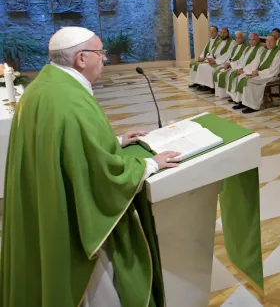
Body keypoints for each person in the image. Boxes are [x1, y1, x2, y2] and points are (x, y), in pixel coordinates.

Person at [1, 27, 179, 306]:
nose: (105, 58)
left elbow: (67, 144)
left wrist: (116, 140)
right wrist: (148, 165)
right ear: (81, 59)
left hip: (47, 198)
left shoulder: (48, 85)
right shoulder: (71, 101)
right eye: (100, 52)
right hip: (74, 224)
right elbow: (104, 174)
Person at [231, 34, 280, 113]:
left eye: (271, 41)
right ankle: (242, 102)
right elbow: (255, 63)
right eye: (267, 41)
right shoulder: (264, 52)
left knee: (249, 81)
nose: (269, 43)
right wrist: (247, 71)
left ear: (275, 42)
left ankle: (253, 106)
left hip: (270, 75)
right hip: (260, 74)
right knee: (242, 76)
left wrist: (258, 73)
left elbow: (274, 69)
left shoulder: (278, 53)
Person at [217, 32, 263, 100]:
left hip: (250, 70)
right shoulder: (248, 49)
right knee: (232, 74)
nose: (251, 42)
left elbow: (255, 63)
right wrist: (235, 66)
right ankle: (235, 97)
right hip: (243, 68)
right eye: (250, 40)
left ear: (258, 40)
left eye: (254, 39)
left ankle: (240, 99)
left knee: (239, 77)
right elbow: (242, 61)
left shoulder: (260, 49)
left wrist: (243, 70)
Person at [190, 27, 233, 91]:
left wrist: (215, 61)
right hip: (215, 60)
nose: (222, 34)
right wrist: (208, 58)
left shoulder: (232, 42)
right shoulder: (219, 41)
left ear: (228, 33)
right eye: (221, 33)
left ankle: (210, 86)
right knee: (202, 66)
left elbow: (228, 54)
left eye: (224, 33)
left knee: (208, 68)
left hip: (223, 62)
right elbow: (212, 51)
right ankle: (202, 84)